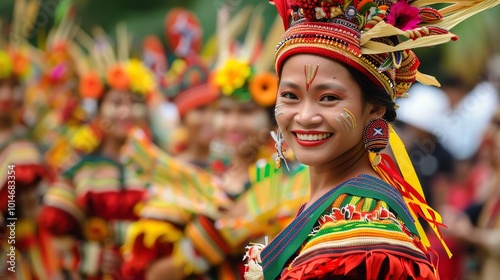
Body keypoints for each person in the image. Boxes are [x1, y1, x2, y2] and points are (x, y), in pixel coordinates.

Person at [243, 0, 499, 279]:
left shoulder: (361, 245)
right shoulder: (335, 205)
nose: (305, 116)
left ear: (374, 109)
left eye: (329, 98)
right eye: (290, 96)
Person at [38, 27, 156, 279]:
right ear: (99, 111)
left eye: (134, 103)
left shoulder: (158, 165)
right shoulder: (80, 169)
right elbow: (54, 228)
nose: (126, 112)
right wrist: (92, 258)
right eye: (116, 103)